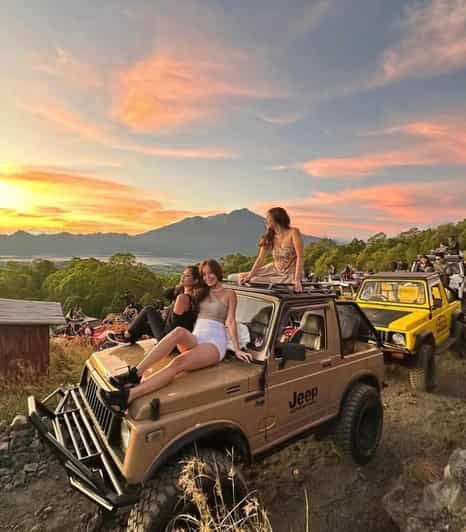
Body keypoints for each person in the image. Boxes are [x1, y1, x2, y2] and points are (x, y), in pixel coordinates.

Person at [100, 259, 253, 410]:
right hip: (197, 337)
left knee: (178, 363)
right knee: (178, 332)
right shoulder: (202, 292)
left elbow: (231, 321)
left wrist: (237, 349)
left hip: (214, 343)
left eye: (211, 273)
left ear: (217, 273)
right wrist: (183, 284)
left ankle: (129, 396)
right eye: (204, 275)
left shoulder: (229, 293)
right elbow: (176, 295)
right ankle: (136, 374)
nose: (208, 277)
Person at [109, 266, 201, 345]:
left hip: (169, 341)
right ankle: (130, 338)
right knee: (143, 325)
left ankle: (126, 336)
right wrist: (178, 286)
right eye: (183, 274)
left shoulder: (183, 298)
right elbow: (166, 294)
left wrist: (157, 319)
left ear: (195, 281)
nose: (183, 277)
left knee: (149, 310)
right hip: (172, 338)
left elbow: (171, 328)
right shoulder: (186, 295)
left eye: (187, 275)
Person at [235, 207, 304, 292]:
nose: (265, 220)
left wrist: (297, 279)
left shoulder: (293, 232)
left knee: (254, 280)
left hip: (290, 273)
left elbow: (300, 257)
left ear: (276, 219)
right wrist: (249, 276)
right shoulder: (269, 238)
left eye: (268, 218)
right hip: (274, 269)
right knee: (243, 276)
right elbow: (260, 259)